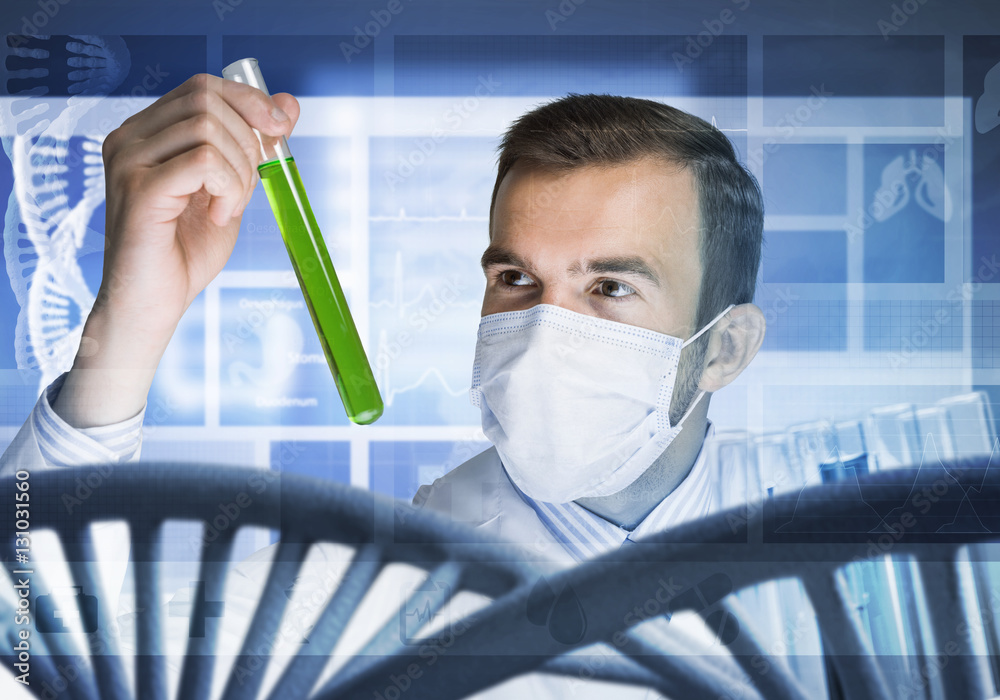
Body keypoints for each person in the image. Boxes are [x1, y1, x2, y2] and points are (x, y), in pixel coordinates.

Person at [0, 74, 766, 696]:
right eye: (515, 278)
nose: (544, 333)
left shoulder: (839, 536)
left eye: (609, 287)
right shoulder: (364, 589)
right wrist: (126, 329)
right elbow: (26, 661)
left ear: (724, 350)